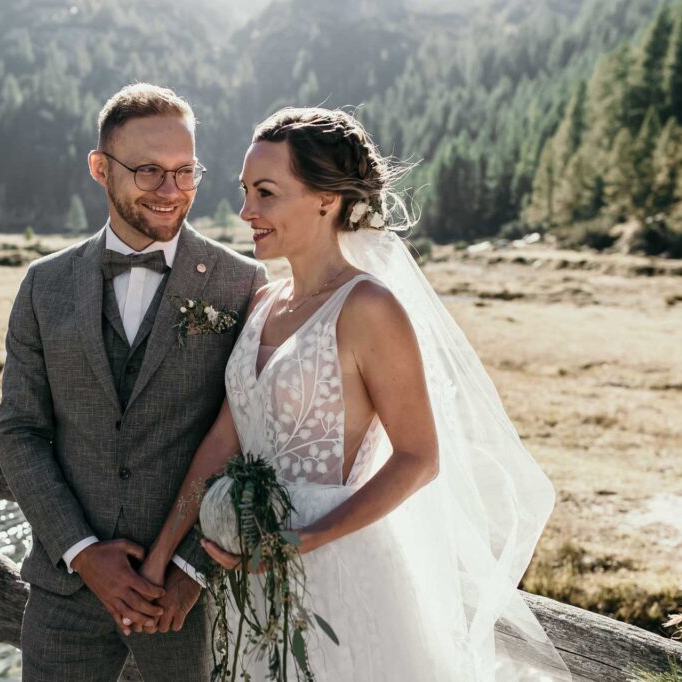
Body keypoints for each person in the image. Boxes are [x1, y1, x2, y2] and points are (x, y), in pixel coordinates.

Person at [139, 107, 573, 680]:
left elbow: (420, 459)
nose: (246, 211)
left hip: (339, 566)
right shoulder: (265, 303)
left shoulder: (369, 308)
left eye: (266, 193)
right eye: (245, 191)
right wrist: (159, 558)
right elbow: (226, 437)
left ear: (326, 199)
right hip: (251, 578)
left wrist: (300, 541)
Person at [0, 82, 266, 681]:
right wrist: (83, 553)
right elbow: (20, 432)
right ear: (100, 167)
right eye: (148, 171)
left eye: (185, 171)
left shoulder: (241, 284)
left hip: (187, 605)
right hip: (65, 596)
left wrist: (194, 568)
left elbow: (252, 440)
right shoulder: (44, 285)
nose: (171, 192)